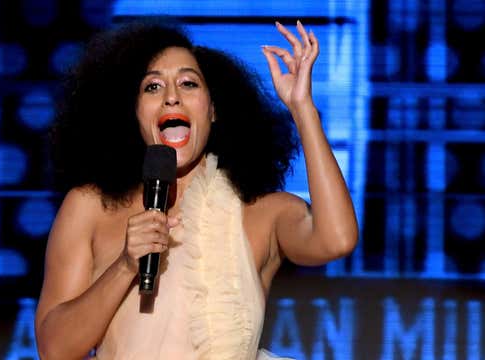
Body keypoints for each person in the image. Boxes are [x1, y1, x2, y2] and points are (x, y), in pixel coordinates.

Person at [34, 19, 358, 360]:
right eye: (152, 87)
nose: (172, 97)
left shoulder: (261, 212)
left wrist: (302, 107)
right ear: (133, 112)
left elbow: (337, 239)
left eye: (188, 83)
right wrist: (126, 266)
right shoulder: (90, 207)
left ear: (214, 109)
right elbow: (54, 349)